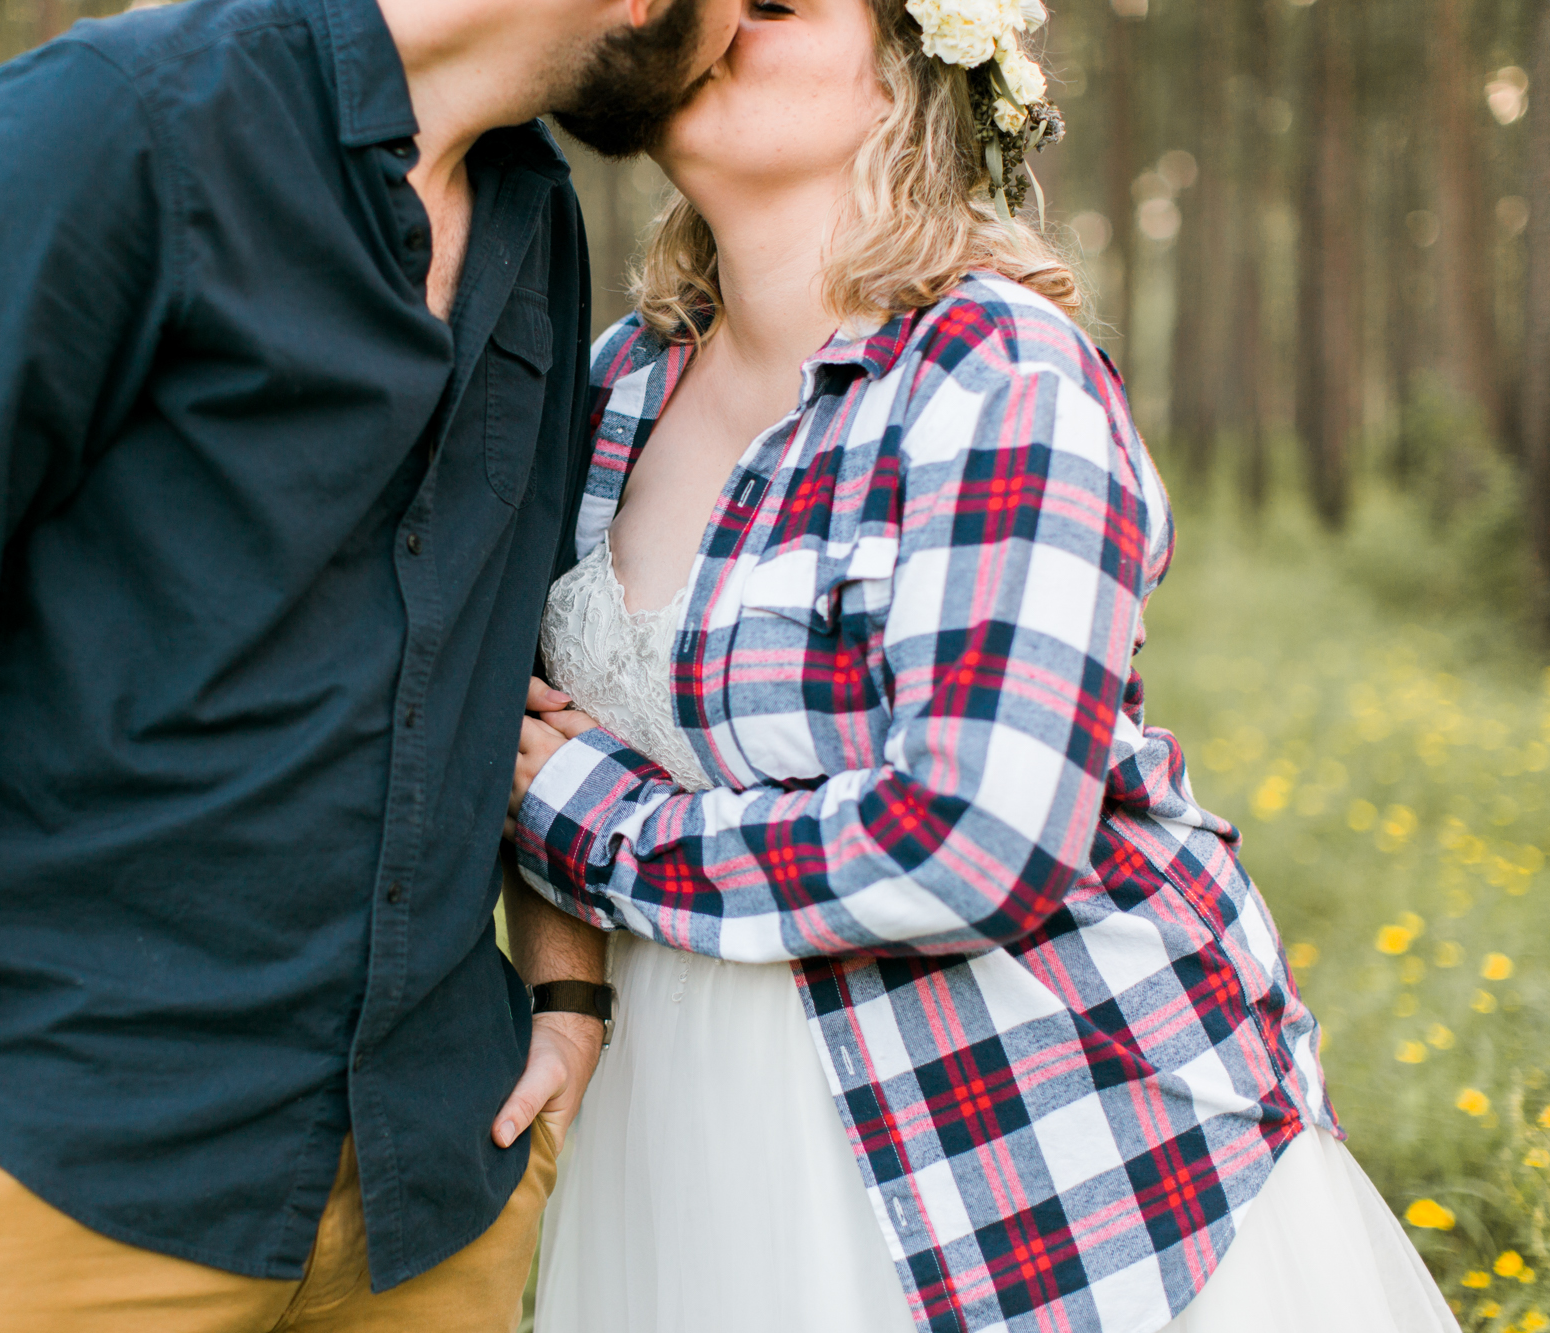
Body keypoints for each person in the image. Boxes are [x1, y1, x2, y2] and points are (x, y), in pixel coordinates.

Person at [0, 0, 737, 1328]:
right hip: (67, 1196)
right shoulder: (103, 132)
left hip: (437, 1194)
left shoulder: (531, 208)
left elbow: (514, 642)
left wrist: (565, 990)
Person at [507, 1, 1461, 1331]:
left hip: (1031, 1141)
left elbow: (978, 838)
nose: (710, 16)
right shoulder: (618, 388)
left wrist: (601, 826)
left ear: (911, 68)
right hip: (680, 1118)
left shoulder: (997, 370)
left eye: (777, 5)